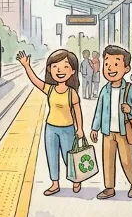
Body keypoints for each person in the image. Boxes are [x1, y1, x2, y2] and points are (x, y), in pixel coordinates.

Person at [17, 49, 85, 195]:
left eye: (65, 66)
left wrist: (80, 128)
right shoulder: (50, 89)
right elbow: (35, 81)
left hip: (68, 129)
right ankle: (55, 183)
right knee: (52, 156)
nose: (59, 70)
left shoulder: (72, 92)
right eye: (55, 66)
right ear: (50, 69)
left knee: (69, 157)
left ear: (72, 71)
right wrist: (27, 66)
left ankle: (76, 179)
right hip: (51, 128)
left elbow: (77, 112)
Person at [89, 45, 132, 200]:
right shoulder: (104, 90)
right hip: (107, 132)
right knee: (107, 161)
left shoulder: (129, 89)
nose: (110, 68)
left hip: (123, 132)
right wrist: (95, 128)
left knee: (126, 161)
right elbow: (99, 111)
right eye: (107, 64)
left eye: (115, 64)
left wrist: (130, 109)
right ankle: (109, 188)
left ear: (126, 68)